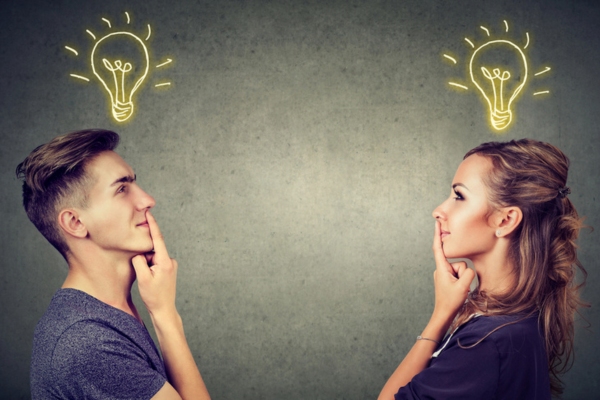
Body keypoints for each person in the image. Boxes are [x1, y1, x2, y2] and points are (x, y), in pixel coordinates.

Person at [378, 139, 587, 400]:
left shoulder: (486, 343)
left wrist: (440, 316)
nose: (438, 211)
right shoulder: (518, 318)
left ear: (506, 219)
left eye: (459, 196)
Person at [18, 129, 211, 399]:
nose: (147, 200)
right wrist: (165, 314)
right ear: (75, 223)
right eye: (122, 189)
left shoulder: (105, 314)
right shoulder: (88, 342)